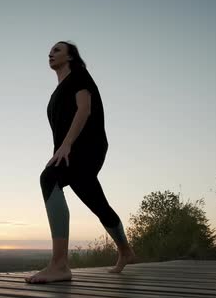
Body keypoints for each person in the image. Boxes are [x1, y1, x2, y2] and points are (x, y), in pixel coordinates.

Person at [24, 41, 136, 284]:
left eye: (57, 50)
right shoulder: (57, 91)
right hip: (69, 151)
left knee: (48, 177)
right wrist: (61, 148)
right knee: (96, 201)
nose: (50, 54)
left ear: (71, 56)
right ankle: (126, 251)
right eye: (49, 51)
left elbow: (84, 110)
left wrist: (66, 145)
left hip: (87, 147)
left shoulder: (79, 76)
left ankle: (60, 264)